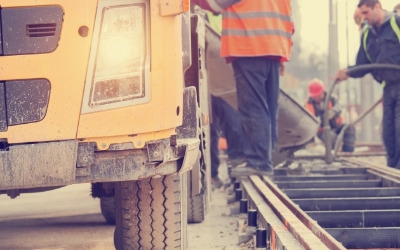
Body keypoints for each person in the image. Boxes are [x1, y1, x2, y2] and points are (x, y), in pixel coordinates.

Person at [192, 0, 293, 177]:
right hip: (274, 49)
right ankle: (265, 159)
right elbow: (289, 23)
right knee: (268, 109)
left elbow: (215, 3)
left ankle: (259, 162)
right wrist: (283, 55)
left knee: (253, 107)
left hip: (250, 47)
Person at [336, 0, 400, 168]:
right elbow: (363, 64)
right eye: (361, 13)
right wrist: (348, 72)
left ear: (377, 7)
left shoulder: (396, 23)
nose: (363, 17)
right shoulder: (367, 34)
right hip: (389, 88)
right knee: (389, 133)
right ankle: (393, 171)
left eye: (366, 13)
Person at [305, 79, 356, 152]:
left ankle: (348, 153)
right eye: (314, 96)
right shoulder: (309, 105)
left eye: (318, 95)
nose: (316, 98)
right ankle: (331, 155)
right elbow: (313, 121)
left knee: (349, 127)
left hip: (336, 126)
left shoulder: (331, 98)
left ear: (322, 92)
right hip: (322, 131)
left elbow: (338, 107)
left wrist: (333, 112)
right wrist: (323, 119)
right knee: (331, 136)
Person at [210, 95, 246, 188]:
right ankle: (213, 174)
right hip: (210, 90)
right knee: (211, 131)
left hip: (220, 90)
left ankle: (236, 159)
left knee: (230, 125)